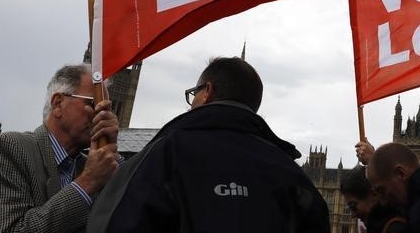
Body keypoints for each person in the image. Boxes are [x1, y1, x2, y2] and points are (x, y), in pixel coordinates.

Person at [87, 56, 329, 232]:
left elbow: (111, 223)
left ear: (208, 92)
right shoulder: (292, 175)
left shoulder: (165, 155)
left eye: (194, 93)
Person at [0, 63, 121, 233]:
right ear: (58, 104)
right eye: (94, 104)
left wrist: (111, 154)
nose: (104, 116)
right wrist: (87, 183)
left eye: (108, 109)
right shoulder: (7, 149)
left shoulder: (94, 169)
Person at [339, 165, 406, 233]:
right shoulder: (380, 225)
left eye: (353, 206)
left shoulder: (396, 228)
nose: (353, 215)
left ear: (374, 194)